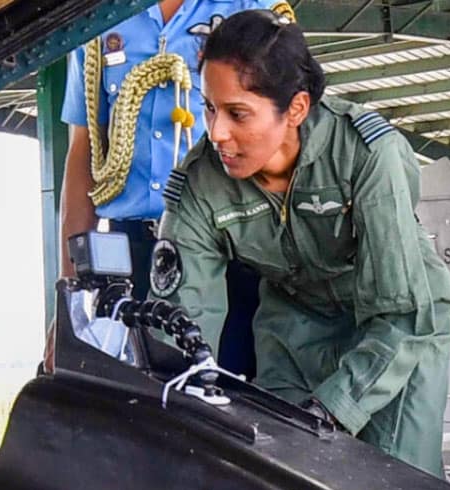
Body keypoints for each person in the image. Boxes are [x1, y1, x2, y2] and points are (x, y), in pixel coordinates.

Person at [151, 10, 450, 476]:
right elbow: (180, 328)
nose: (216, 133)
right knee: (289, 484)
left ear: (295, 109)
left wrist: (331, 411)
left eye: (237, 113)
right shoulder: (200, 185)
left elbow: (399, 313)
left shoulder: (367, 155)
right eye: (210, 108)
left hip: (397, 329)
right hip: (293, 327)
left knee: (397, 489)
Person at [58, 0, 294, 375]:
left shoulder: (253, 8)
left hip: (230, 252)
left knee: (239, 396)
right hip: (131, 259)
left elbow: (290, 136)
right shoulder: (96, 21)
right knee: (139, 402)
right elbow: (83, 153)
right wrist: (70, 303)